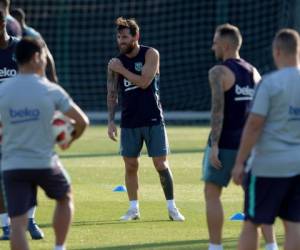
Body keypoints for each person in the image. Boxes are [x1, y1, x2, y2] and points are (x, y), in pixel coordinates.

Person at [0, 36, 89, 250]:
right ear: (34, 58)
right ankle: (59, 247)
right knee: (65, 197)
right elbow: (82, 121)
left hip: (12, 165)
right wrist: (68, 140)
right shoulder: (50, 89)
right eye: (43, 56)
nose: (45, 61)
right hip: (44, 163)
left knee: (18, 225)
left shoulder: (2, 91)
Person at [203, 23, 277, 250]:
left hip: (224, 145)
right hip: (249, 145)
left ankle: (215, 246)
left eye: (215, 41)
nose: (212, 46)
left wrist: (214, 144)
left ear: (225, 44)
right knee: (256, 198)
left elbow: (218, 110)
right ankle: (272, 245)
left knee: (212, 193)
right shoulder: (255, 72)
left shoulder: (218, 72)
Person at [107, 17, 184, 221]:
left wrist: (121, 69)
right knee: (130, 165)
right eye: (118, 37)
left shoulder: (151, 54)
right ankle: (133, 209)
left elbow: (143, 82)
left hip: (153, 118)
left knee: (161, 164)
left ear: (136, 37)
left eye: (124, 37)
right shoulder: (115, 63)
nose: (120, 41)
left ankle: (172, 207)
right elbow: (112, 92)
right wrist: (111, 120)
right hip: (129, 121)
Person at [232, 28, 300, 250]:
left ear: (277, 51)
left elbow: (253, 125)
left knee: (252, 222)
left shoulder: (269, 82)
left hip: (267, 166)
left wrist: (240, 162)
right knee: (294, 224)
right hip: (297, 165)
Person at [0, 9, 45, 241]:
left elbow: (37, 76)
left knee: (31, 172)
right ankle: (5, 224)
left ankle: (30, 220)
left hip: (25, 120)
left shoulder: (21, 48)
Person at [11, 7, 58, 83]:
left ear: (18, 19)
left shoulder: (32, 35)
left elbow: (47, 55)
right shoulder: (13, 34)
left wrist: (53, 77)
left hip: (33, 76)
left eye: (12, 20)